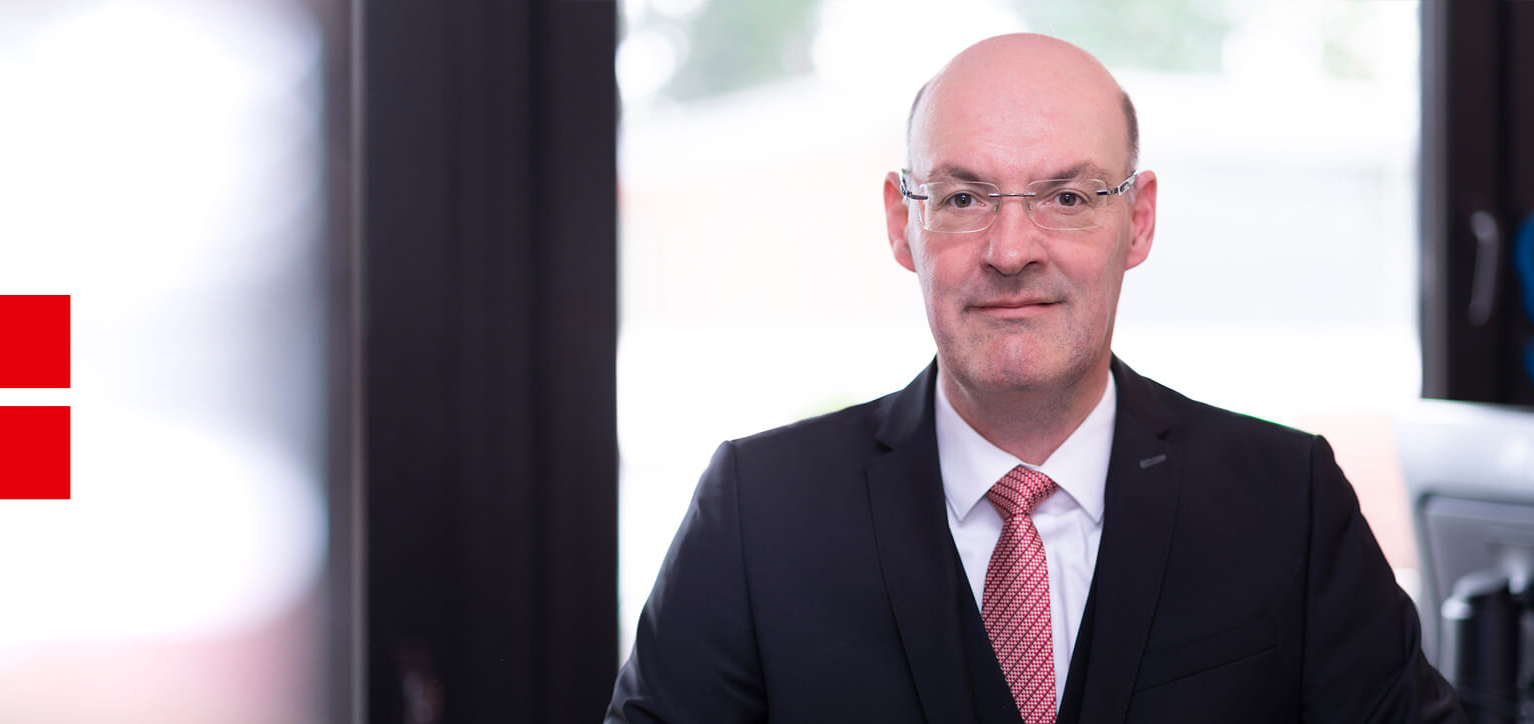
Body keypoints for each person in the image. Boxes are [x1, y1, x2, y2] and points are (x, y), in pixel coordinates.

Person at [605, 33, 1463, 724]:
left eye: (1067, 198)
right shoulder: (759, 512)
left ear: (1138, 221)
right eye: (964, 198)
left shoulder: (1285, 501)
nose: (1012, 251)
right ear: (903, 225)